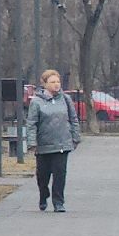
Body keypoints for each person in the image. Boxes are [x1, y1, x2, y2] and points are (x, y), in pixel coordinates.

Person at [25, 70, 81, 212]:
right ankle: (43, 195)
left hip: (62, 143)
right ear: (44, 84)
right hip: (43, 145)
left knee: (60, 174)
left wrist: (75, 137)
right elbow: (31, 123)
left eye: (58, 82)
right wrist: (32, 143)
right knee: (42, 175)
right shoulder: (37, 102)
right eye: (52, 82)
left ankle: (58, 202)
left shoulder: (66, 99)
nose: (56, 85)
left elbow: (73, 119)